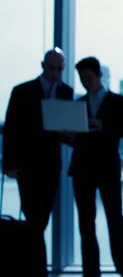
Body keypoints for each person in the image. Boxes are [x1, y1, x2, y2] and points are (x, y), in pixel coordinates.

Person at [2, 48, 74, 277]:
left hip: (51, 166)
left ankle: (33, 268)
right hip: (27, 166)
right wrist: (8, 166)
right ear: (43, 66)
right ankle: (37, 269)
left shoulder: (65, 92)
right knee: (35, 220)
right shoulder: (22, 91)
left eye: (59, 69)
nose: (55, 73)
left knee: (40, 219)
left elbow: (64, 129)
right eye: (52, 68)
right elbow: (11, 130)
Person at [67, 57, 123, 277]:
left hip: (106, 168)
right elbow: (75, 140)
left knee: (115, 219)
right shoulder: (77, 105)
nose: (85, 82)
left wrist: (102, 124)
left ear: (98, 75)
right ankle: (91, 272)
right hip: (83, 169)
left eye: (88, 77)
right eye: (82, 79)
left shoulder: (119, 102)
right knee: (86, 224)